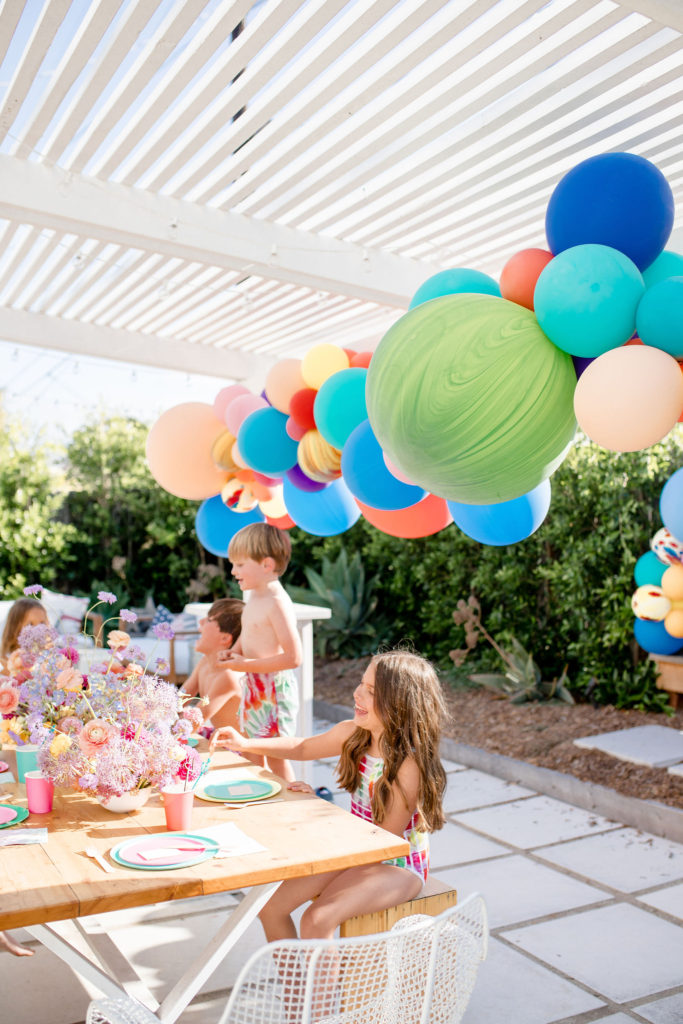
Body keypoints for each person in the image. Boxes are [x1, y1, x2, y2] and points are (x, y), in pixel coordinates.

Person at [210, 649, 447, 941]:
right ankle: (297, 988)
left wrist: (323, 815)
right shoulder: (356, 734)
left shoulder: (407, 765)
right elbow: (302, 747)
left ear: (400, 703)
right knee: (270, 907)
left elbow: (385, 841)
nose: (357, 693)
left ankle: (318, 989)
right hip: (356, 849)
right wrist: (246, 742)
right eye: (361, 683)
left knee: (317, 918)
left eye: (371, 691)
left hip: (397, 866)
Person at [219, 523, 302, 782]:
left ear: (266, 565)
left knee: (276, 755)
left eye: (240, 565)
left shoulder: (276, 602)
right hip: (255, 686)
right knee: (251, 749)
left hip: (274, 691)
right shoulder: (254, 595)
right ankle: (259, 798)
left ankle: (289, 804)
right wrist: (234, 651)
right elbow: (250, 630)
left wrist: (246, 665)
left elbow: (293, 658)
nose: (233, 571)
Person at [0, 597, 47, 958]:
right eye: (33, 623)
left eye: (45, 622)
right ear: (16, 630)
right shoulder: (8, 667)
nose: (41, 630)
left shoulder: (48, 665)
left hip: (33, 751)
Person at [179, 598, 245, 734]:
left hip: (235, 751)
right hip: (217, 738)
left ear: (225, 638)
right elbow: (179, 700)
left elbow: (195, 721)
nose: (201, 621)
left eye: (209, 620)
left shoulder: (229, 676)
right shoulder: (204, 663)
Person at [0, 597, 49, 669]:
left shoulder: (47, 656)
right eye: (30, 624)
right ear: (15, 627)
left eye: (42, 623)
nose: (38, 630)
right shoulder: (5, 661)